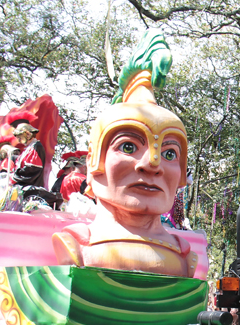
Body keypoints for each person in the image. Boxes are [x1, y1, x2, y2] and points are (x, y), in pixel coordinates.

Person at [52, 30, 197, 276]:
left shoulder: (185, 254)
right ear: (93, 162)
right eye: (128, 147)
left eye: (169, 153)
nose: (152, 164)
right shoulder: (76, 243)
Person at [8, 110, 47, 188]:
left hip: (31, 188)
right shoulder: (29, 148)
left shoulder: (36, 146)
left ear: (28, 134)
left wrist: (15, 176)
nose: (19, 140)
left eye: (20, 137)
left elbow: (32, 170)